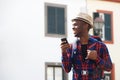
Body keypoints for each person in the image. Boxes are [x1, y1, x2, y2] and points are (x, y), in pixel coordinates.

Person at [60, 12, 112, 80]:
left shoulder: (100, 46)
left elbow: (109, 67)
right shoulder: (71, 47)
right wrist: (63, 52)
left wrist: (96, 58)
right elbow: (67, 69)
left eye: (75, 24)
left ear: (85, 25)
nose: (73, 28)